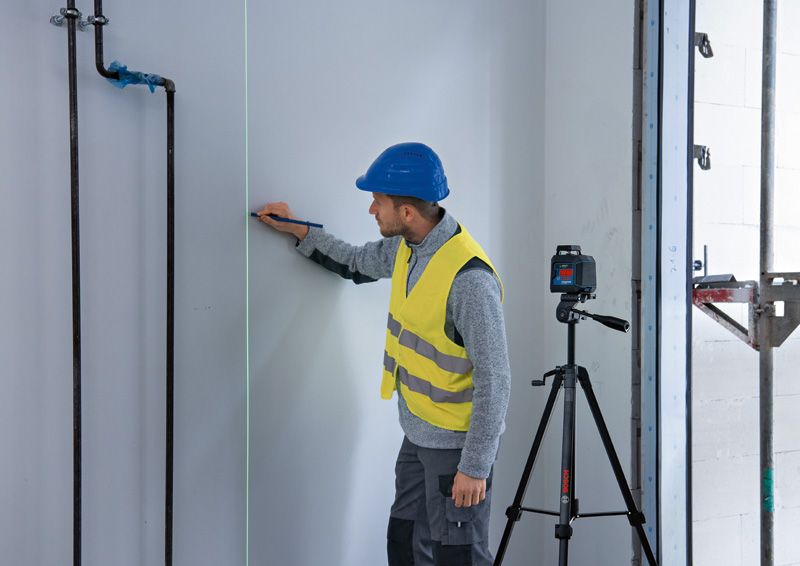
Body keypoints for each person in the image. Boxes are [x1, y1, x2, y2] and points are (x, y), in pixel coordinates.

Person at [255, 142, 511, 566]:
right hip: (417, 433)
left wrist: (475, 466)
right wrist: (299, 229)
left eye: (378, 201)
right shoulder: (408, 248)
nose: (372, 210)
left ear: (406, 212)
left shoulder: (469, 280)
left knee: (458, 557)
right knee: (405, 543)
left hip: (455, 447)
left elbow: (495, 379)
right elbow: (355, 262)